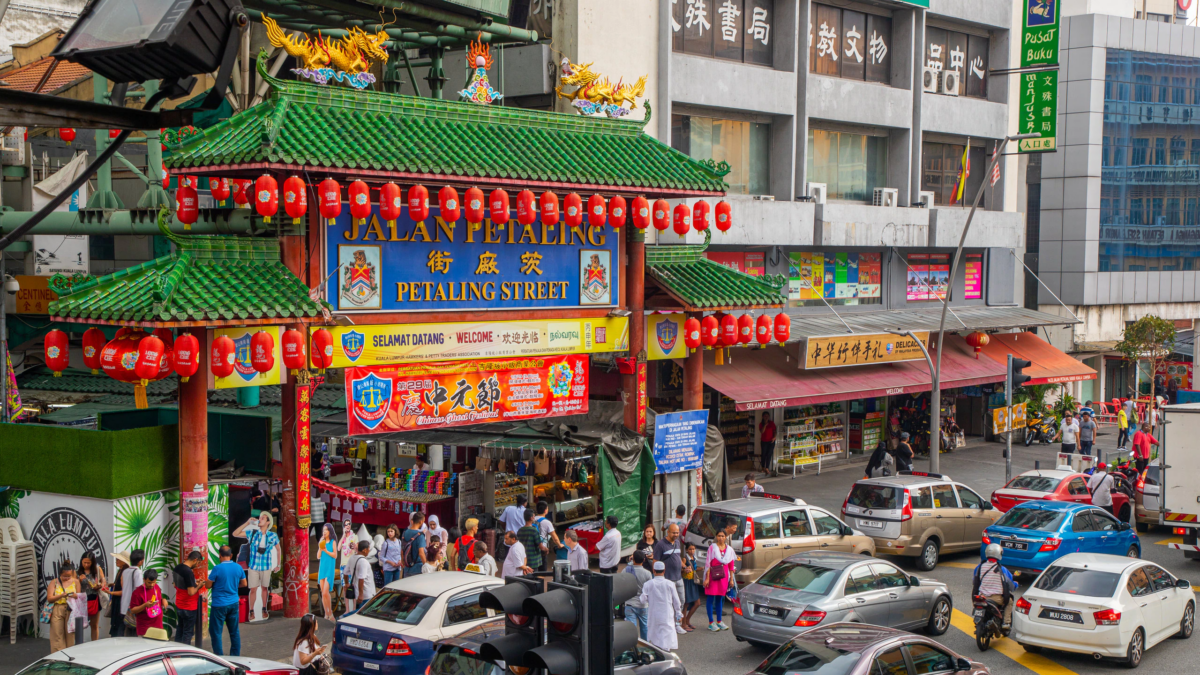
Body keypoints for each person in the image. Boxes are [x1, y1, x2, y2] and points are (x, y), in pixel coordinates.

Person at [233, 511, 280, 621]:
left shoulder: (272, 536)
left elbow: (278, 549)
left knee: (264, 588)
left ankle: (264, 608)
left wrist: (278, 564)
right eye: (260, 517)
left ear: (268, 522)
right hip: (253, 566)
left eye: (263, 518)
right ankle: (251, 610)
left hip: (266, 566)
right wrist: (247, 523)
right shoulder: (253, 533)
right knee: (253, 589)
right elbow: (235, 533)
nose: (260, 519)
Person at [209, 545, 247, 656]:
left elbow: (208, 585)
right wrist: (233, 586)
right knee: (234, 632)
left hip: (219, 605)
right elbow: (244, 584)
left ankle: (219, 657)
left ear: (219, 555)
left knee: (216, 632)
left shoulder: (217, 568)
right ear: (231, 555)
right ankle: (235, 656)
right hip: (233, 603)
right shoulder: (238, 567)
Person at [972, 543, 1016, 630]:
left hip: (981, 597)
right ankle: (1006, 622)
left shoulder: (979, 567)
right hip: (996, 598)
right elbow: (1010, 584)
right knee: (1010, 601)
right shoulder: (1002, 569)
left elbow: (975, 581)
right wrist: (1016, 584)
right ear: (999, 554)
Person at [653, 523, 687, 635]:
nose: (676, 535)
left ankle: (677, 624)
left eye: (677, 533)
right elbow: (655, 562)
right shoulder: (660, 545)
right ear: (667, 532)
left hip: (678, 578)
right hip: (667, 579)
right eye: (674, 533)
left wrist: (684, 567)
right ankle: (671, 624)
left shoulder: (677, 543)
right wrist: (658, 577)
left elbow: (678, 558)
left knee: (681, 601)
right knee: (669, 603)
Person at [641, 560, 683, 652]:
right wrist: (678, 614)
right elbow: (676, 601)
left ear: (653, 570)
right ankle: (665, 653)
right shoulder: (670, 584)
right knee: (666, 638)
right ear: (664, 570)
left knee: (654, 637)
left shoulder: (648, 584)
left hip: (654, 615)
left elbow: (642, 600)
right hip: (667, 615)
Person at [173, 550, 209, 647]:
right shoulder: (188, 572)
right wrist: (199, 586)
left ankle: (175, 650)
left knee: (180, 630)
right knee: (188, 633)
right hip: (189, 607)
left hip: (179, 605)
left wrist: (194, 582)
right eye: (198, 563)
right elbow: (191, 592)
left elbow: (176, 585)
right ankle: (185, 652)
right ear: (195, 560)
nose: (197, 565)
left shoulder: (177, 568)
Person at [704, 530, 736, 631]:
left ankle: (719, 621)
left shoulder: (729, 550)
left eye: (722, 536)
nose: (720, 538)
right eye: (719, 536)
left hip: (723, 577)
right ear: (716, 537)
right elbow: (708, 563)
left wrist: (731, 579)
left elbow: (731, 565)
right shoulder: (712, 548)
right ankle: (711, 622)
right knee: (710, 598)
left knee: (720, 598)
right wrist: (707, 578)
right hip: (713, 576)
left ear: (726, 537)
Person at [47, 562, 80, 652]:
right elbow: (49, 598)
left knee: (70, 634)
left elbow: (79, 596)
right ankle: (58, 655)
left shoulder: (76, 581)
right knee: (57, 633)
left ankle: (70, 653)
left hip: (71, 609)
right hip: (58, 608)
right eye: (64, 576)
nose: (67, 578)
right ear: (60, 574)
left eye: (69, 576)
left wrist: (74, 595)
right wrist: (61, 595)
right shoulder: (54, 582)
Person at [129, 568, 167, 637]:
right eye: (149, 582)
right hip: (145, 629)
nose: (152, 585)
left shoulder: (156, 587)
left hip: (158, 626)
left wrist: (163, 600)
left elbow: (158, 599)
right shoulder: (137, 593)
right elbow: (133, 610)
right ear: (144, 579)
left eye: (154, 582)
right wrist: (145, 605)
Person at [77, 552, 106, 643]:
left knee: (94, 625)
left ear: (92, 562)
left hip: (94, 598)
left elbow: (103, 580)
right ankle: (79, 643)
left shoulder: (97, 569)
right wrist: (79, 580)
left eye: (88, 563)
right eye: (84, 562)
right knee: (79, 624)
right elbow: (73, 586)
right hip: (82, 599)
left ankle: (94, 643)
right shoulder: (77, 572)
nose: (86, 565)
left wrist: (100, 585)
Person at [623, 551, 653, 640]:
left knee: (632, 629)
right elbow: (650, 590)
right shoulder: (647, 573)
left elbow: (622, 584)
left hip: (629, 603)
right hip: (643, 605)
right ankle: (646, 645)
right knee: (645, 628)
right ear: (644, 560)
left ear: (633, 559)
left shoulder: (626, 570)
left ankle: (633, 645)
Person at [118, 549, 145, 635]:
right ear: (140, 561)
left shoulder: (125, 571)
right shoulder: (138, 572)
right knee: (134, 634)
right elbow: (139, 590)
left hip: (124, 606)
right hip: (132, 607)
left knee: (126, 631)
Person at [317, 523, 338, 619]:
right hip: (322, 568)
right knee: (323, 593)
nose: (324, 532)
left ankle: (330, 613)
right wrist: (320, 548)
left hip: (329, 569)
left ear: (330, 531)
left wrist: (325, 550)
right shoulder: (322, 541)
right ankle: (326, 613)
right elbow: (318, 556)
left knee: (326, 592)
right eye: (323, 530)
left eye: (326, 530)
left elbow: (335, 555)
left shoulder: (333, 542)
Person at [108, 551, 130, 638]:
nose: (116, 560)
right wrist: (113, 585)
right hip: (117, 602)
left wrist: (110, 592)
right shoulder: (120, 571)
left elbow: (124, 591)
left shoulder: (124, 573)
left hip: (120, 603)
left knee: (119, 626)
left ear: (124, 562)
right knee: (116, 625)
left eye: (118, 559)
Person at [681, 543, 702, 632]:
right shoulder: (684, 559)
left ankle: (687, 620)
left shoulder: (694, 558)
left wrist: (703, 568)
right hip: (686, 582)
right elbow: (681, 570)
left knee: (697, 603)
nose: (692, 551)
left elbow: (694, 569)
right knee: (686, 603)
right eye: (690, 549)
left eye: (693, 549)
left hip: (693, 582)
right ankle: (683, 624)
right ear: (686, 550)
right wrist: (685, 570)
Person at [535, 501, 562, 566]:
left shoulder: (532, 519)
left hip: (532, 547)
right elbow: (554, 537)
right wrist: (559, 545)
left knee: (534, 568)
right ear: (545, 510)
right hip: (543, 548)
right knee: (542, 568)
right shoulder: (547, 522)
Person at [402, 513, 428, 577]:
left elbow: (402, 550)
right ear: (421, 521)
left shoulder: (405, 533)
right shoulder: (420, 535)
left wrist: (403, 563)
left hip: (407, 568)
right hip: (417, 568)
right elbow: (421, 553)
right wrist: (427, 566)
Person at [350, 540, 376, 605]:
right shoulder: (363, 561)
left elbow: (345, 572)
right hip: (366, 595)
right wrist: (361, 595)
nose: (369, 550)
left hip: (362, 593)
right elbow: (361, 578)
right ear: (364, 550)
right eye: (368, 549)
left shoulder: (353, 558)